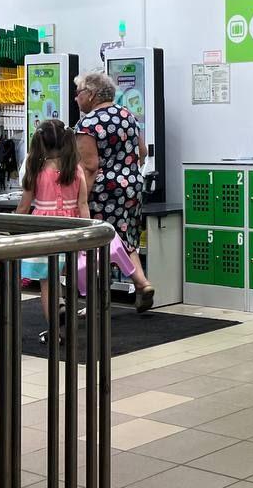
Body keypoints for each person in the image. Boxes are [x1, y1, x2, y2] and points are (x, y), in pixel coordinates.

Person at [73, 71, 154, 312]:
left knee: (100, 241)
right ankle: (142, 283)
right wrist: (126, 172)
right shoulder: (128, 115)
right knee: (125, 238)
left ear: (91, 94)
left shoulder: (87, 124)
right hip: (132, 186)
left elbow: (89, 166)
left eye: (78, 93)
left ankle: (99, 299)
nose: (76, 98)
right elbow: (142, 152)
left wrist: (81, 199)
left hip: (103, 191)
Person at [16, 119, 87, 342]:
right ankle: (68, 316)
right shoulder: (75, 169)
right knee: (69, 276)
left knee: (47, 281)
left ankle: (55, 331)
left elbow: (24, 206)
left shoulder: (35, 170)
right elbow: (83, 204)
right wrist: (87, 232)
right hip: (71, 228)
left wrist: (13, 228)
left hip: (44, 229)